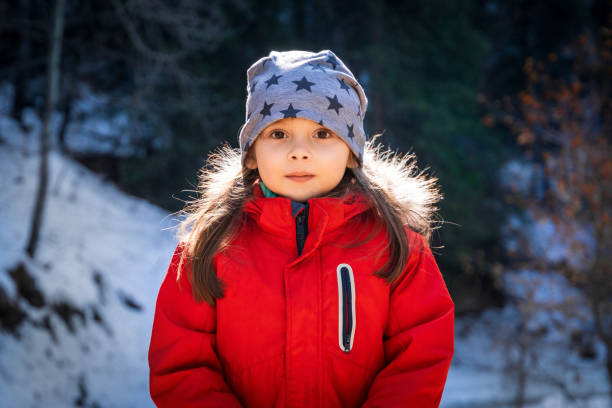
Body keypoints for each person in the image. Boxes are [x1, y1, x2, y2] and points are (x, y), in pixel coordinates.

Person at [148, 49, 454, 407]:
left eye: (322, 134)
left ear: (352, 151)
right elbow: (181, 367)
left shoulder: (395, 244)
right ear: (251, 152)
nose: (299, 152)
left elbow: (419, 360)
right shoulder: (210, 246)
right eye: (278, 134)